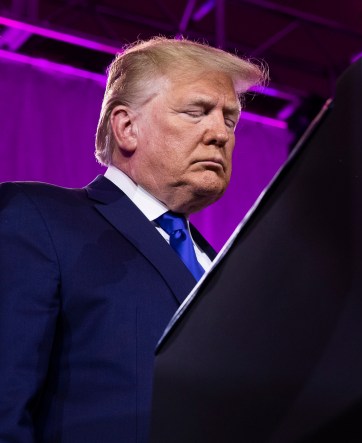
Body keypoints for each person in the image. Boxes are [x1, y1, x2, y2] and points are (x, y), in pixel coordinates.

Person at [0, 37, 267, 442]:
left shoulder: (226, 273)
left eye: (229, 120)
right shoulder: (38, 219)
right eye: (196, 112)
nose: (220, 133)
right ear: (127, 127)